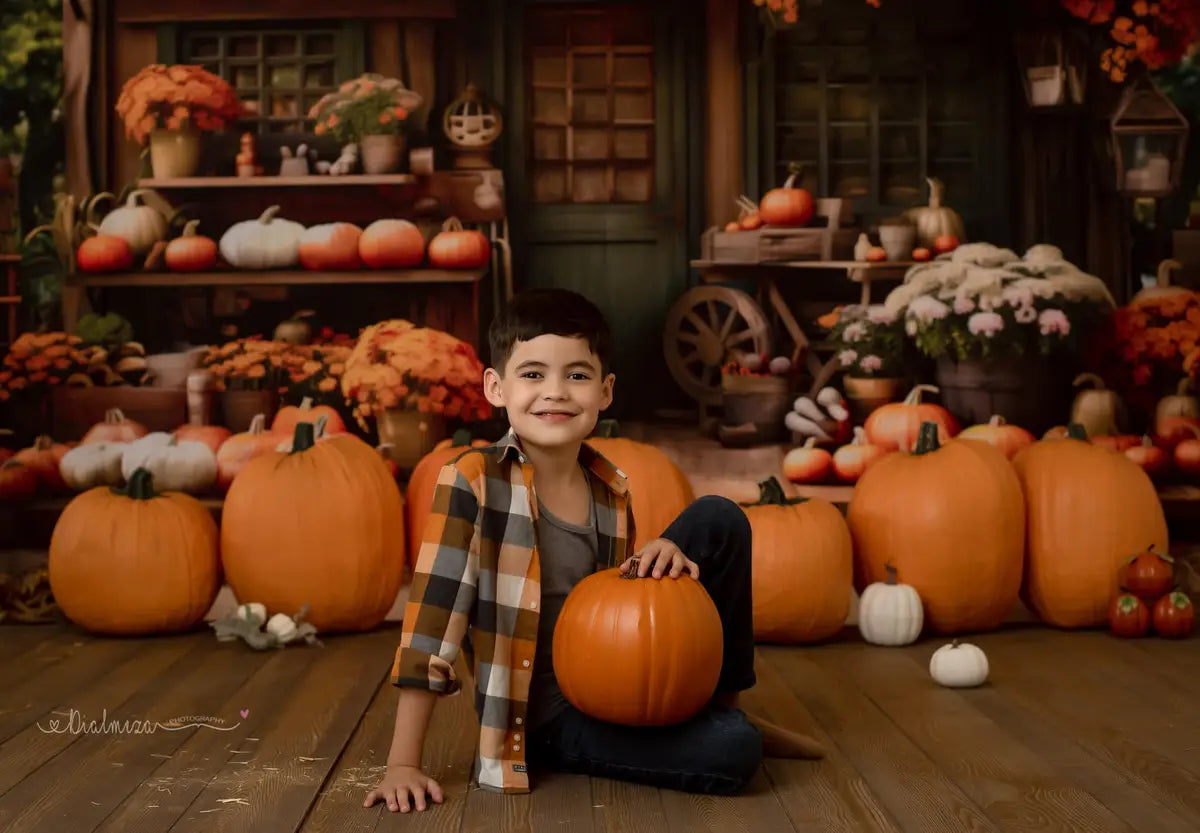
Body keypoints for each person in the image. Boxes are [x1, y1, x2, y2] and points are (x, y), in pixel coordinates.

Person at [364, 288, 824, 814]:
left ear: (605, 391)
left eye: (576, 375)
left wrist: (660, 552)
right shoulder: (471, 480)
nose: (555, 392)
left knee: (718, 516)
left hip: (612, 676)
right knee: (732, 751)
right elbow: (432, 620)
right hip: (548, 716)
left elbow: (620, 611)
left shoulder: (609, 486)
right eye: (533, 374)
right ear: (496, 387)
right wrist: (402, 763)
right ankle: (725, 730)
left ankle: (720, 704)